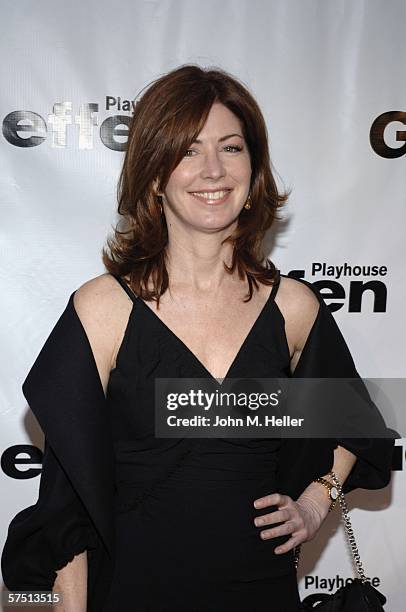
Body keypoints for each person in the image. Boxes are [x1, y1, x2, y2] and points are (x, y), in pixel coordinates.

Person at [1, 65, 394, 612]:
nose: (213, 169)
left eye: (231, 147)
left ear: (253, 169)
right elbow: (68, 507)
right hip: (133, 595)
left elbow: (358, 423)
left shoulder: (293, 309)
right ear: (155, 174)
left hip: (262, 593)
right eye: (188, 150)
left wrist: (316, 499)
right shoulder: (103, 310)